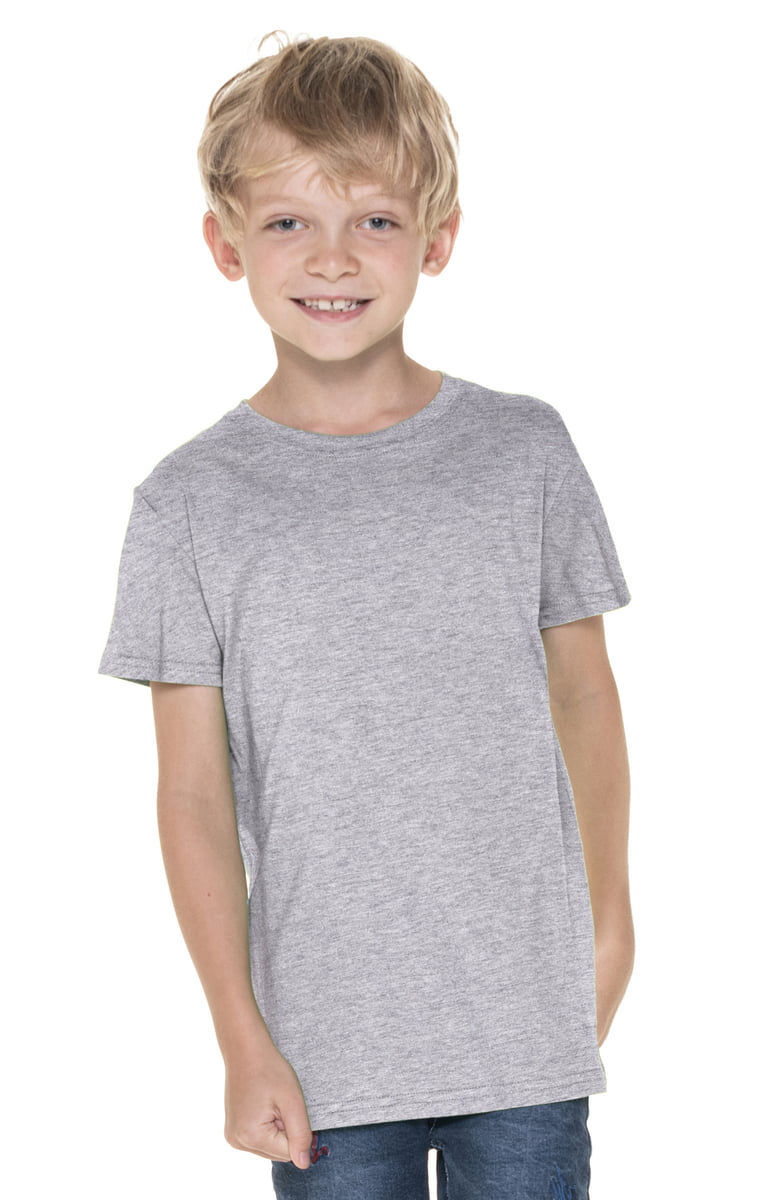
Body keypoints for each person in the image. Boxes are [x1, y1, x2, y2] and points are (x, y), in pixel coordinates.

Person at [99, 33, 634, 1200]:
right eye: (289, 220)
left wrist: (613, 921)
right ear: (224, 243)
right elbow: (190, 794)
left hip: (526, 1023)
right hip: (321, 1050)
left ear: (438, 238)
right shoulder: (187, 503)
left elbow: (585, 693)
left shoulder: (523, 452)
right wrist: (240, 1037)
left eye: (376, 220)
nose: (332, 257)